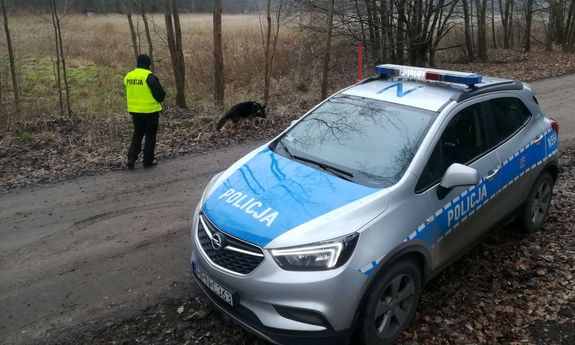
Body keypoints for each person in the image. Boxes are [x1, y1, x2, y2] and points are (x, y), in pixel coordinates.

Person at [124, 54, 166, 169]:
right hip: (150, 111)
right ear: (148, 64)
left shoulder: (128, 76)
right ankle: (148, 161)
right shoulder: (150, 76)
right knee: (150, 136)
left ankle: (131, 158)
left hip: (134, 111)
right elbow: (160, 94)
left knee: (137, 134)